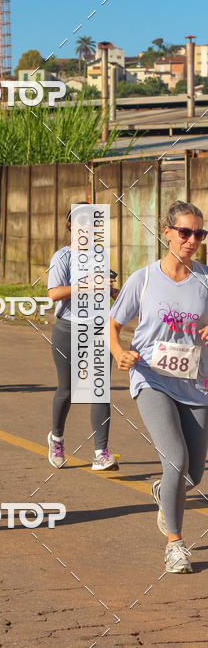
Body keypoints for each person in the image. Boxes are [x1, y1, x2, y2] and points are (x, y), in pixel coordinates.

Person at [110, 200, 208, 574]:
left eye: (199, 233)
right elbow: (113, 326)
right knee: (176, 458)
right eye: (185, 232)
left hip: (196, 383)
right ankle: (176, 545)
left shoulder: (205, 280)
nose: (192, 240)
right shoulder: (144, 279)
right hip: (151, 378)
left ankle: (163, 491)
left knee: (193, 475)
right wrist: (120, 353)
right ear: (166, 232)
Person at [47, 204, 119, 471]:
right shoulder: (62, 257)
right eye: (81, 223)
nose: (87, 228)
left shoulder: (99, 256)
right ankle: (56, 438)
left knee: (99, 390)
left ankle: (101, 452)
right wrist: (86, 286)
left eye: (91, 223)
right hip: (68, 329)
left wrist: (112, 292)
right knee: (68, 390)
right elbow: (53, 293)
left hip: (98, 329)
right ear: (70, 226)